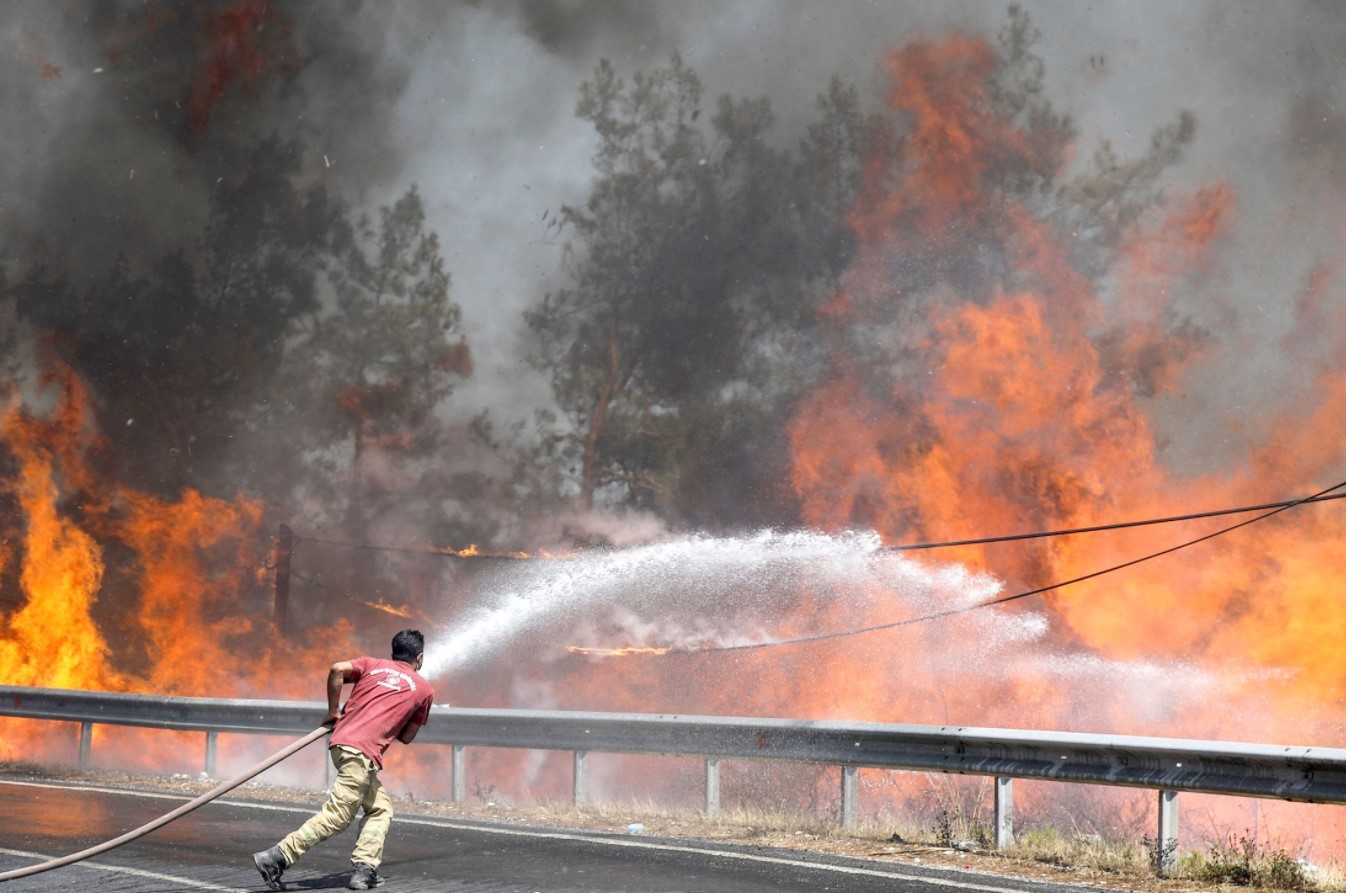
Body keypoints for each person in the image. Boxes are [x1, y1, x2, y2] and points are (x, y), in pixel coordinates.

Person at [252, 629, 434, 891]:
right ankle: (276, 858)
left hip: (343, 746)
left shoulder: (372, 665)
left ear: (393, 652)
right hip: (360, 755)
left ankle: (364, 869)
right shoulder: (424, 689)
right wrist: (395, 712)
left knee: (380, 808)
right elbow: (406, 737)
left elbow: (337, 669)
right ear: (420, 657)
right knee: (337, 817)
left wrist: (332, 712)